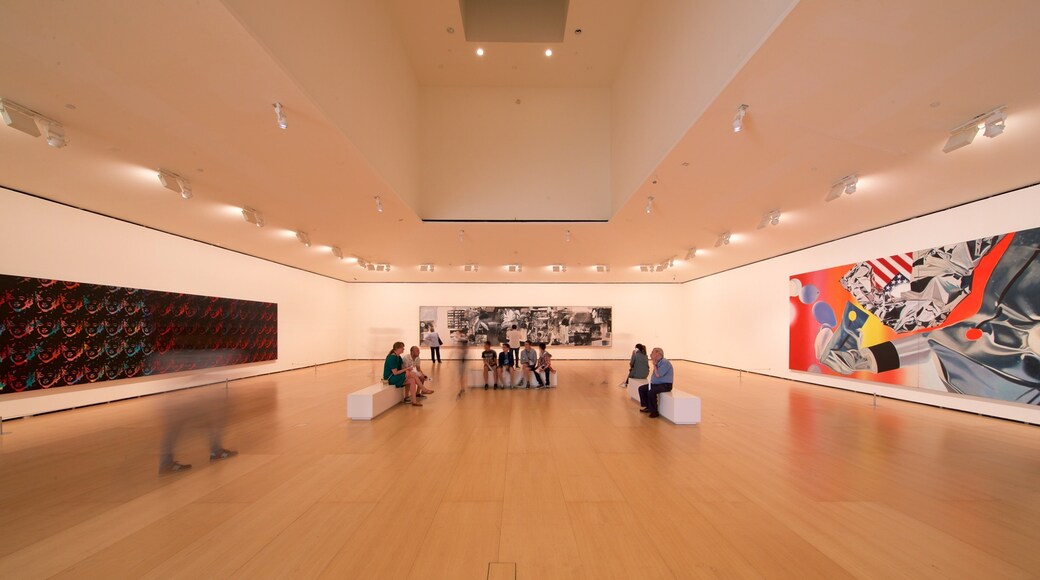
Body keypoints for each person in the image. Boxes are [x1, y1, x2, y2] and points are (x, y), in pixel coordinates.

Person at [638, 347, 673, 418]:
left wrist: (654, 364)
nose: (651, 354)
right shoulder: (658, 362)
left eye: (652, 352)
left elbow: (658, 375)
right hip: (656, 384)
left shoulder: (665, 362)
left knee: (651, 392)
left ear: (658, 353)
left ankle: (654, 411)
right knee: (642, 389)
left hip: (665, 385)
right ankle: (648, 406)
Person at [385, 341, 421, 406]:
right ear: (397, 348)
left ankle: (414, 401)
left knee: (412, 380)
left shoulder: (398, 357)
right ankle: (423, 388)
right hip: (391, 378)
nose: (403, 349)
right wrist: (406, 369)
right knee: (413, 374)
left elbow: (402, 367)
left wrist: (406, 371)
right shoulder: (392, 357)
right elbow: (395, 373)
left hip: (396, 376)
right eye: (402, 348)